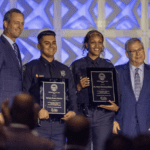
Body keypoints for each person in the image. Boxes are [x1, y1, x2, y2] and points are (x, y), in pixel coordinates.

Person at [23, 30, 77, 150]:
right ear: (39, 46)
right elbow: (24, 94)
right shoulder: (30, 68)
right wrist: (37, 110)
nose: (51, 46)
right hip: (40, 125)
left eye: (54, 43)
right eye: (47, 43)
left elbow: (72, 93)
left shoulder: (64, 69)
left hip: (61, 125)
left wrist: (73, 111)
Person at [70, 30, 119, 150]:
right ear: (86, 44)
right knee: (80, 148)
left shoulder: (108, 66)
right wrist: (78, 87)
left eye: (100, 42)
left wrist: (116, 106)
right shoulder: (76, 65)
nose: (97, 46)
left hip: (103, 115)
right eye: (93, 42)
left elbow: (117, 90)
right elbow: (68, 92)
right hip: (82, 114)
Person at [113, 38, 150, 138]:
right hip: (123, 126)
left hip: (147, 127)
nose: (138, 54)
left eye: (140, 49)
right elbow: (109, 98)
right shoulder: (117, 71)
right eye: (134, 51)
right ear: (127, 54)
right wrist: (113, 120)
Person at [0, 8, 24, 108]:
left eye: (22, 23)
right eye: (16, 23)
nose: (20, 27)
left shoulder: (15, 47)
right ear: (5, 24)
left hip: (13, 108)